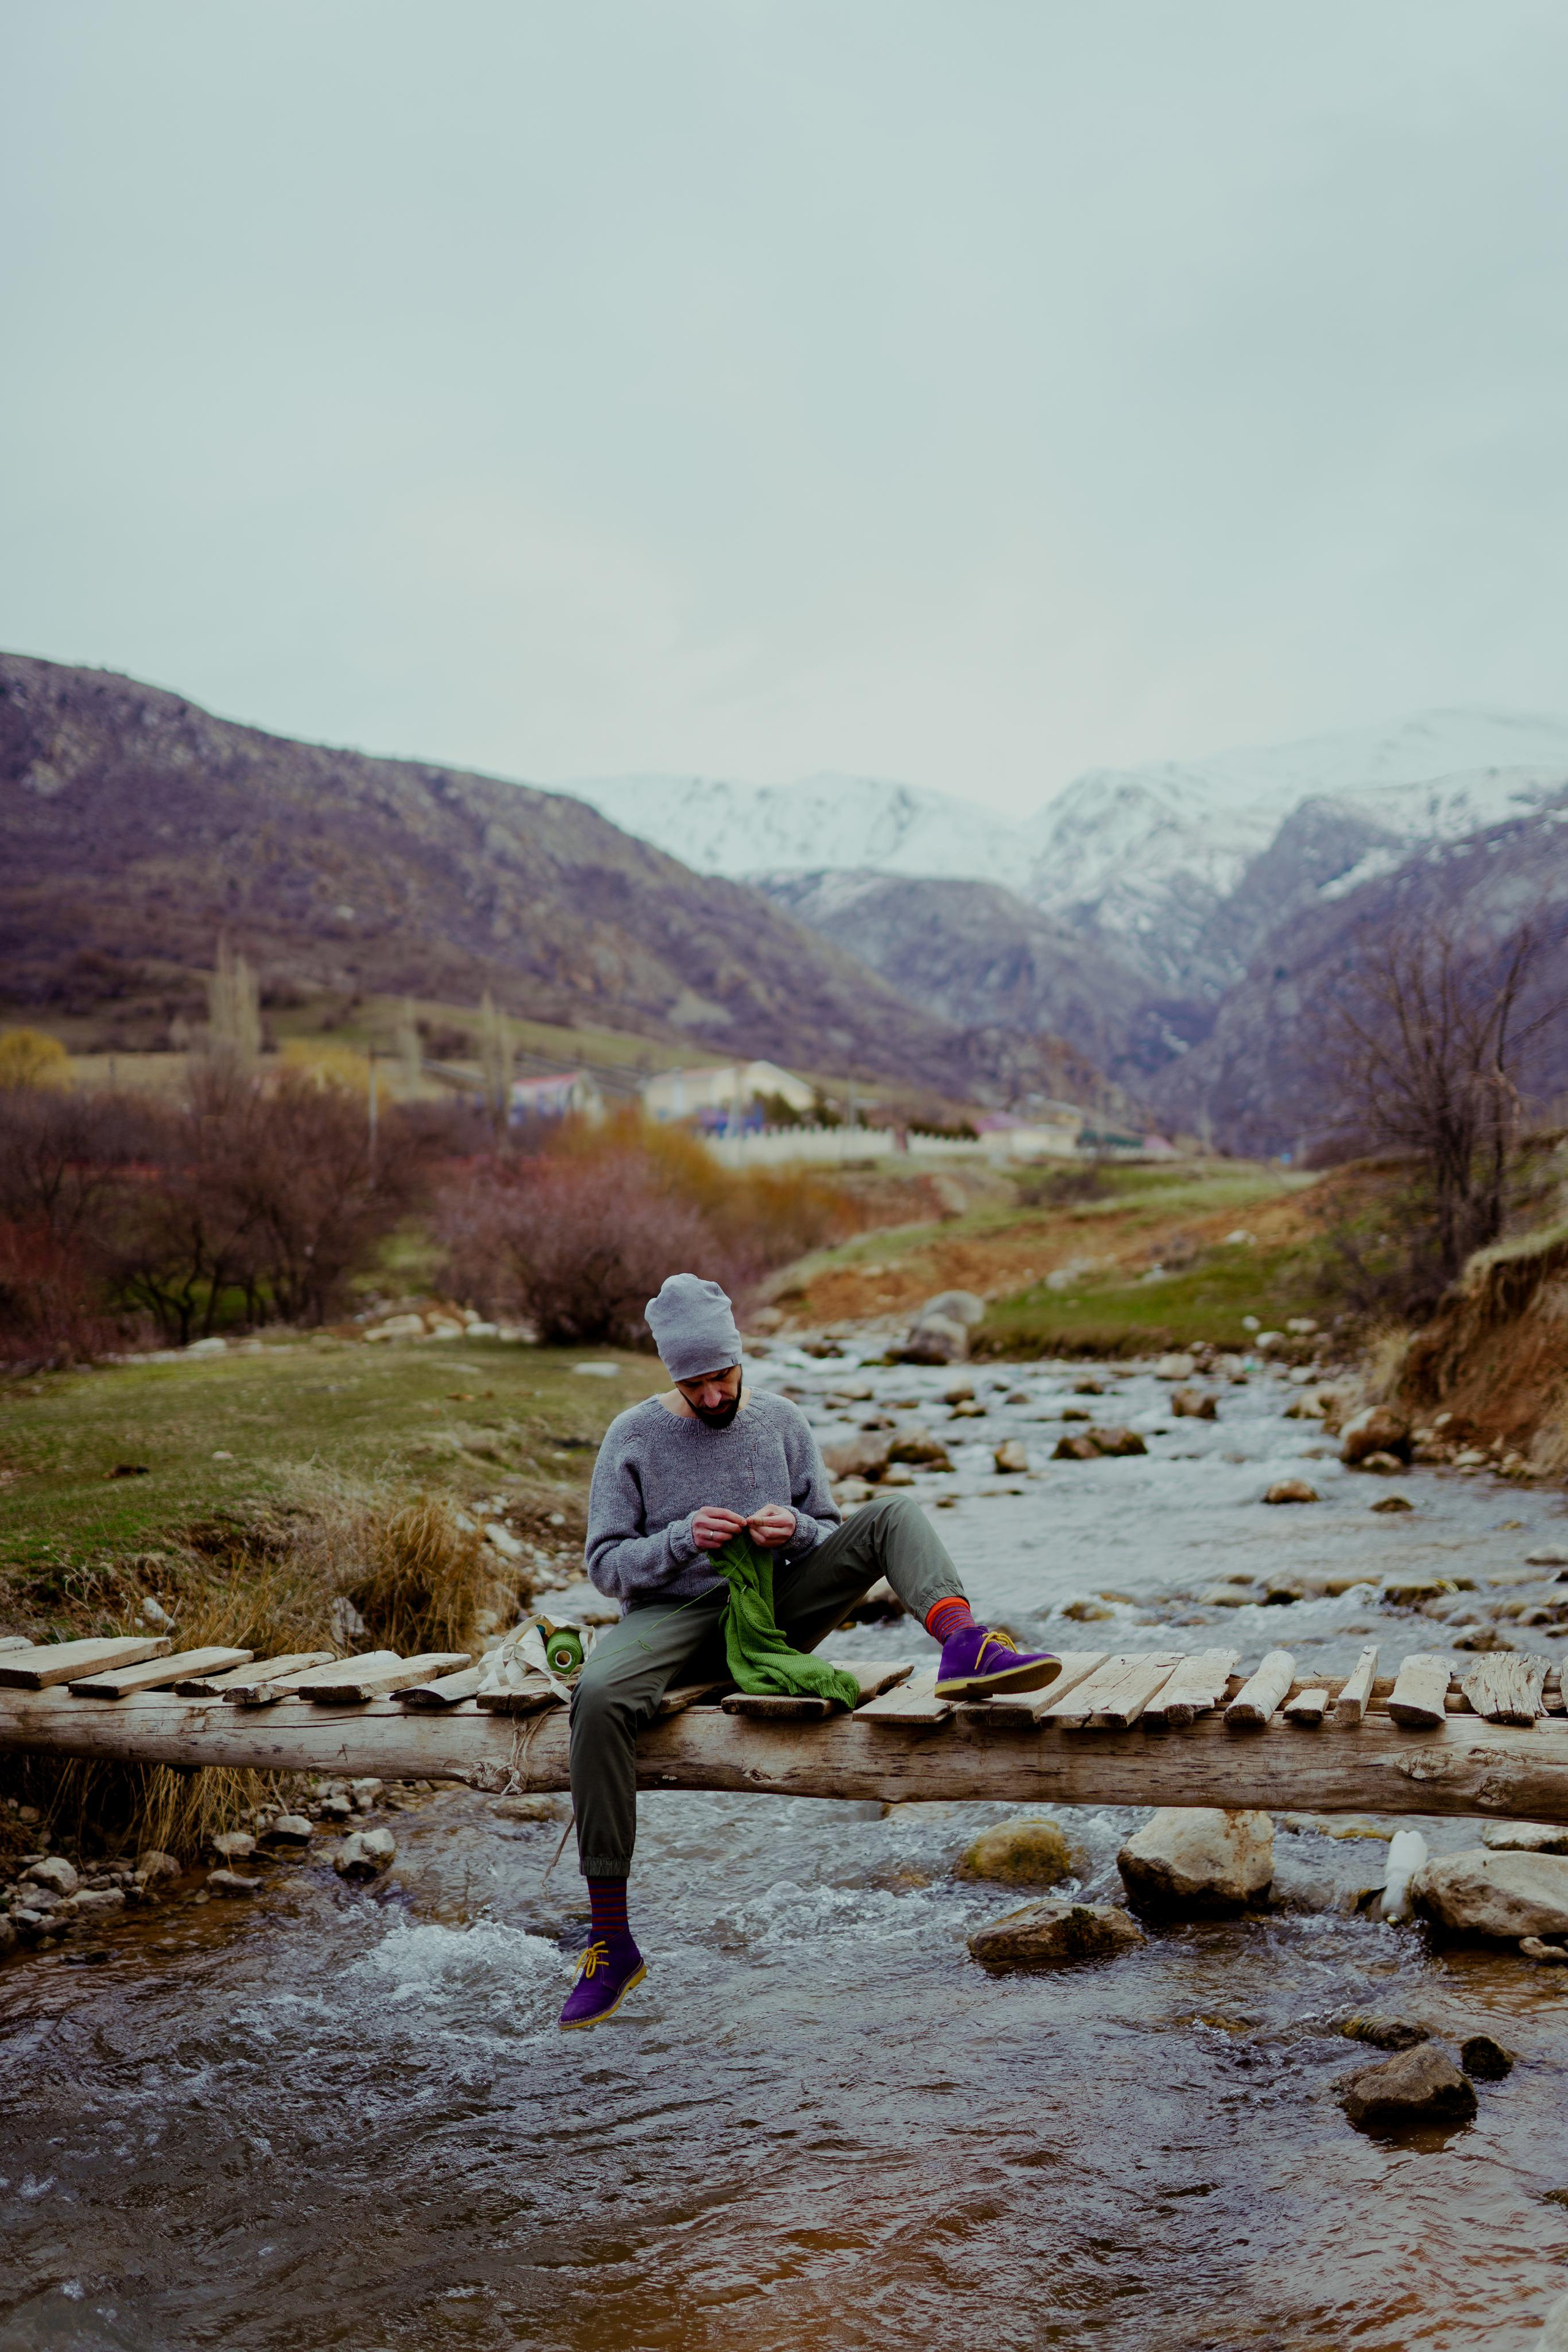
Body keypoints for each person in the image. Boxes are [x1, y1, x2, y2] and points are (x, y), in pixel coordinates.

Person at [559, 1271, 1060, 2029]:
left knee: (891, 1511)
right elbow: (604, 1565)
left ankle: (965, 1645)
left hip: (779, 1607)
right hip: (677, 1618)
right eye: (694, 1384)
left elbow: (828, 1528)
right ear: (673, 1374)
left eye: (722, 1377)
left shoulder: (782, 1420)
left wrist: (793, 1533)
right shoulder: (632, 1435)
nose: (713, 1397)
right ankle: (611, 1940)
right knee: (596, 1698)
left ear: (739, 1358)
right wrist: (675, 1541)